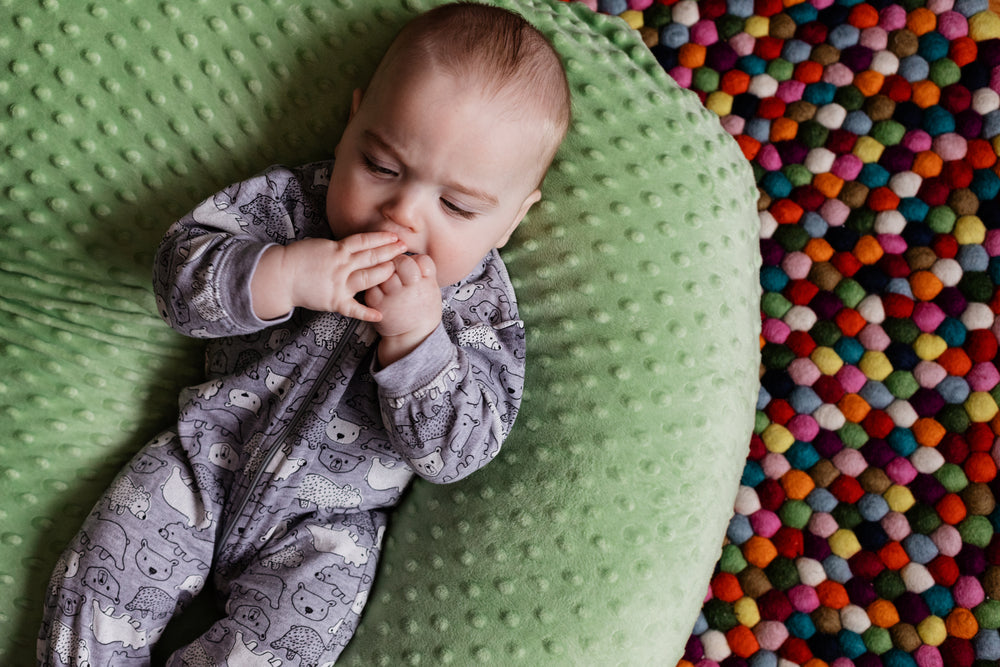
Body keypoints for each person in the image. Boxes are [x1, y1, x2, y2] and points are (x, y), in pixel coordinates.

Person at [37, 2, 571, 664]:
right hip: (202, 458)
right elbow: (178, 277)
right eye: (380, 165)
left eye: (457, 206)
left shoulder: (477, 313)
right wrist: (283, 274)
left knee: (282, 646)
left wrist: (416, 342)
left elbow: (459, 450)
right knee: (98, 579)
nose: (403, 213)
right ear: (352, 125)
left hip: (324, 533)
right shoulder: (294, 207)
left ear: (512, 219)